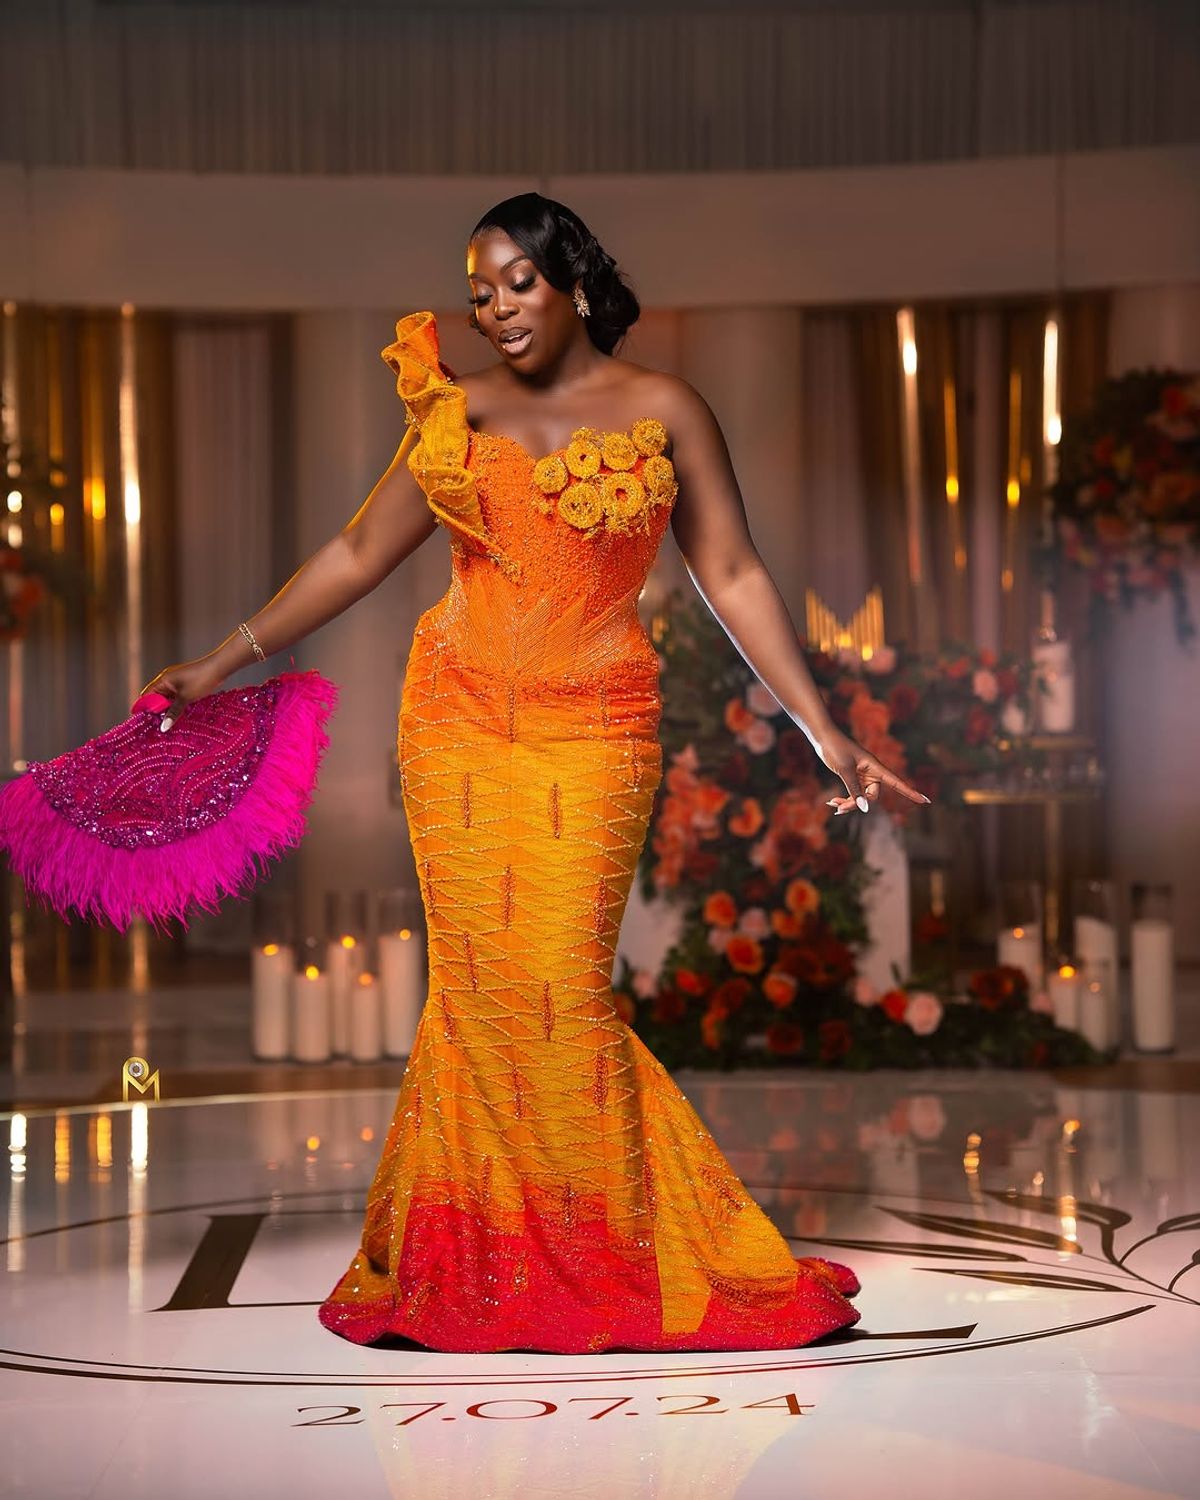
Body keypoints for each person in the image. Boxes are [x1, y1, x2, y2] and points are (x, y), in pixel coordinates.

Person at [141, 191, 929, 1354]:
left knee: (557, 986)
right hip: (455, 725)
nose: (496, 308)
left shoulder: (665, 407)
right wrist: (216, 664)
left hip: (599, 729)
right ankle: (482, 1264)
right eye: (478, 292)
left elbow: (733, 572)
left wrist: (825, 730)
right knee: (480, 995)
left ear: (570, 279)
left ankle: (615, 1254)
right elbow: (359, 551)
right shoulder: (455, 412)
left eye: (515, 282)